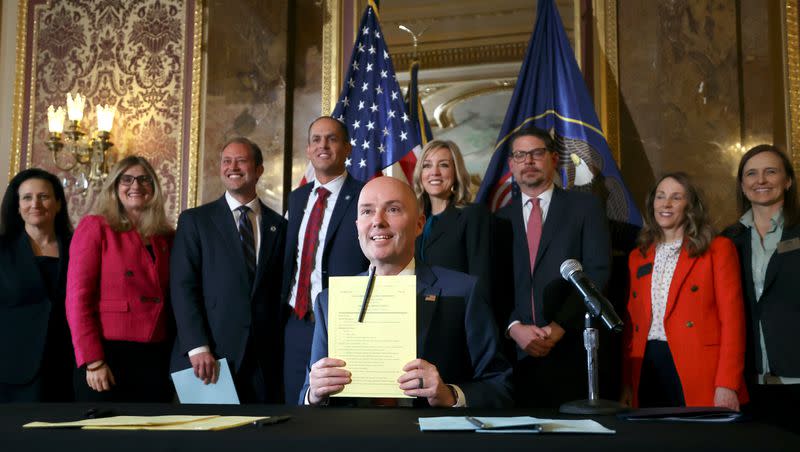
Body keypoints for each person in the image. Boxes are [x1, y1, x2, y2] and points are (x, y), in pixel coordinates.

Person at [301, 176, 512, 408]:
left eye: (392, 209)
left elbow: (500, 387)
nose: (377, 221)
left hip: (429, 441)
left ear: (419, 224)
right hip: (353, 439)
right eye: (367, 211)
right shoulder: (329, 301)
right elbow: (306, 396)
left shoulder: (464, 291)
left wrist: (449, 395)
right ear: (357, 227)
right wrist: (314, 394)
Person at [494, 126, 611, 408]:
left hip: (571, 349)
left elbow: (597, 272)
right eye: (520, 155)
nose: (528, 162)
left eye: (536, 153)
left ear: (554, 159)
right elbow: (495, 283)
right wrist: (513, 327)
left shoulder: (585, 208)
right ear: (511, 165)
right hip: (516, 357)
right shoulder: (498, 219)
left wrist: (558, 327)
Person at [170, 137, 287, 403]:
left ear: (258, 170)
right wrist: (197, 346)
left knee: (258, 441)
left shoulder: (279, 226)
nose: (232, 167)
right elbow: (182, 287)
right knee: (206, 441)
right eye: (226, 161)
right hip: (209, 359)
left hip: (263, 362)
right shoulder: (195, 221)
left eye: (241, 160)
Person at [622, 172, 747, 409]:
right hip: (646, 364)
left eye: (676, 197)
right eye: (660, 197)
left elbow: (733, 323)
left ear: (691, 205)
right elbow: (631, 326)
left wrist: (728, 383)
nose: (666, 204)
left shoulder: (718, 249)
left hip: (697, 366)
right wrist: (627, 383)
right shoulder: (638, 256)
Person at [66, 156, 174, 402]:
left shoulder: (166, 236)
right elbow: (77, 300)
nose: (135, 186)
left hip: (156, 355)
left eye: (144, 180)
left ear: (154, 189)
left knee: (151, 436)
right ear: (115, 187)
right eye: (127, 180)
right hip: (108, 355)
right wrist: (93, 361)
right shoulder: (96, 227)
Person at [282, 117, 369, 403]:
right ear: (308, 150)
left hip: (344, 323)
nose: (323, 145)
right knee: (297, 405)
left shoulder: (364, 195)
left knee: (343, 408)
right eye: (316, 139)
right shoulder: (296, 199)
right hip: (297, 323)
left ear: (348, 148)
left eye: (331, 139)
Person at [722, 145, 800, 428]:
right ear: (743, 186)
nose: (761, 180)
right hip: (748, 383)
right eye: (751, 174)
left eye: (771, 172)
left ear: (788, 181)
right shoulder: (728, 240)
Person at [0, 169, 74, 402]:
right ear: (17, 205)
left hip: (67, 364)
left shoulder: (78, 248)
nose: (36, 204)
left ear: (58, 203)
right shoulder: (2, 249)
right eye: (27, 197)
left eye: (44, 196)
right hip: (12, 367)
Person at [412, 139, 491, 308]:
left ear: (456, 172)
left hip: (456, 315)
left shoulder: (473, 215)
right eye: (427, 165)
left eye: (444, 165)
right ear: (420, 173)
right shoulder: (411, 220)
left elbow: (481, 280)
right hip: (416, 316)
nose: (434, 172)